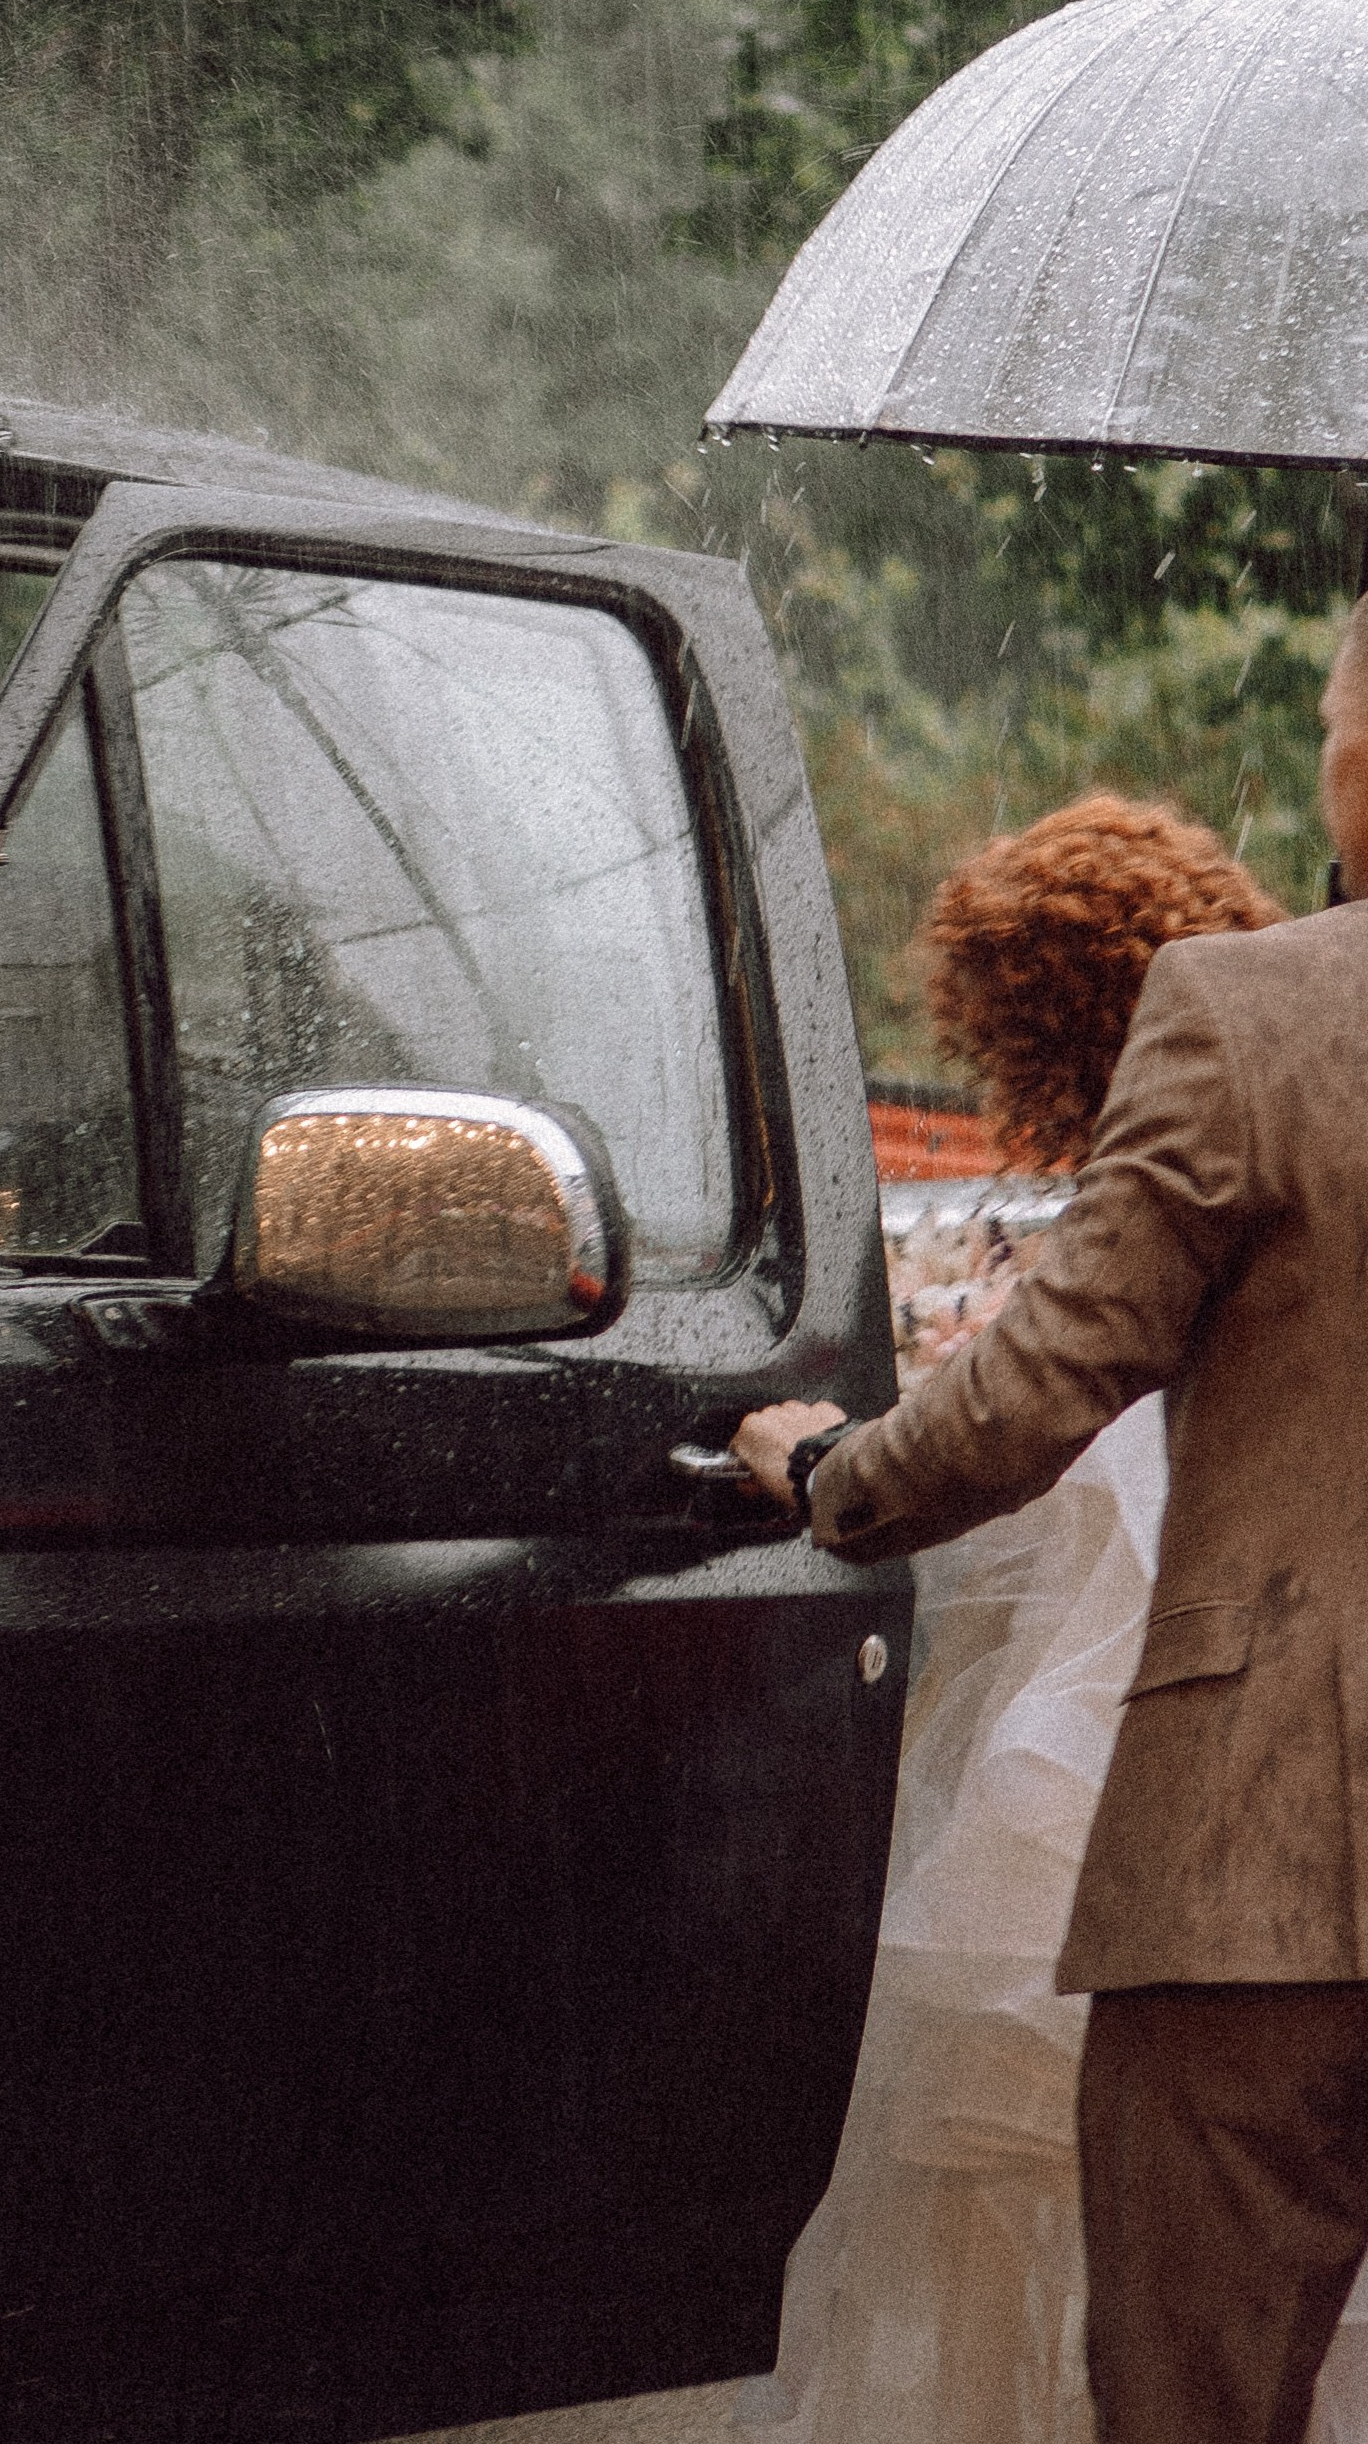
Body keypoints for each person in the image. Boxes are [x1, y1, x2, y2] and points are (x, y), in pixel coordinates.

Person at [736, 598, 1368, 2444]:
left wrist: (821, 1470)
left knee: (1192, 2394)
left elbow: (1026, 1398)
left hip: (1269, 1871)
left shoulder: (1254, 1012)